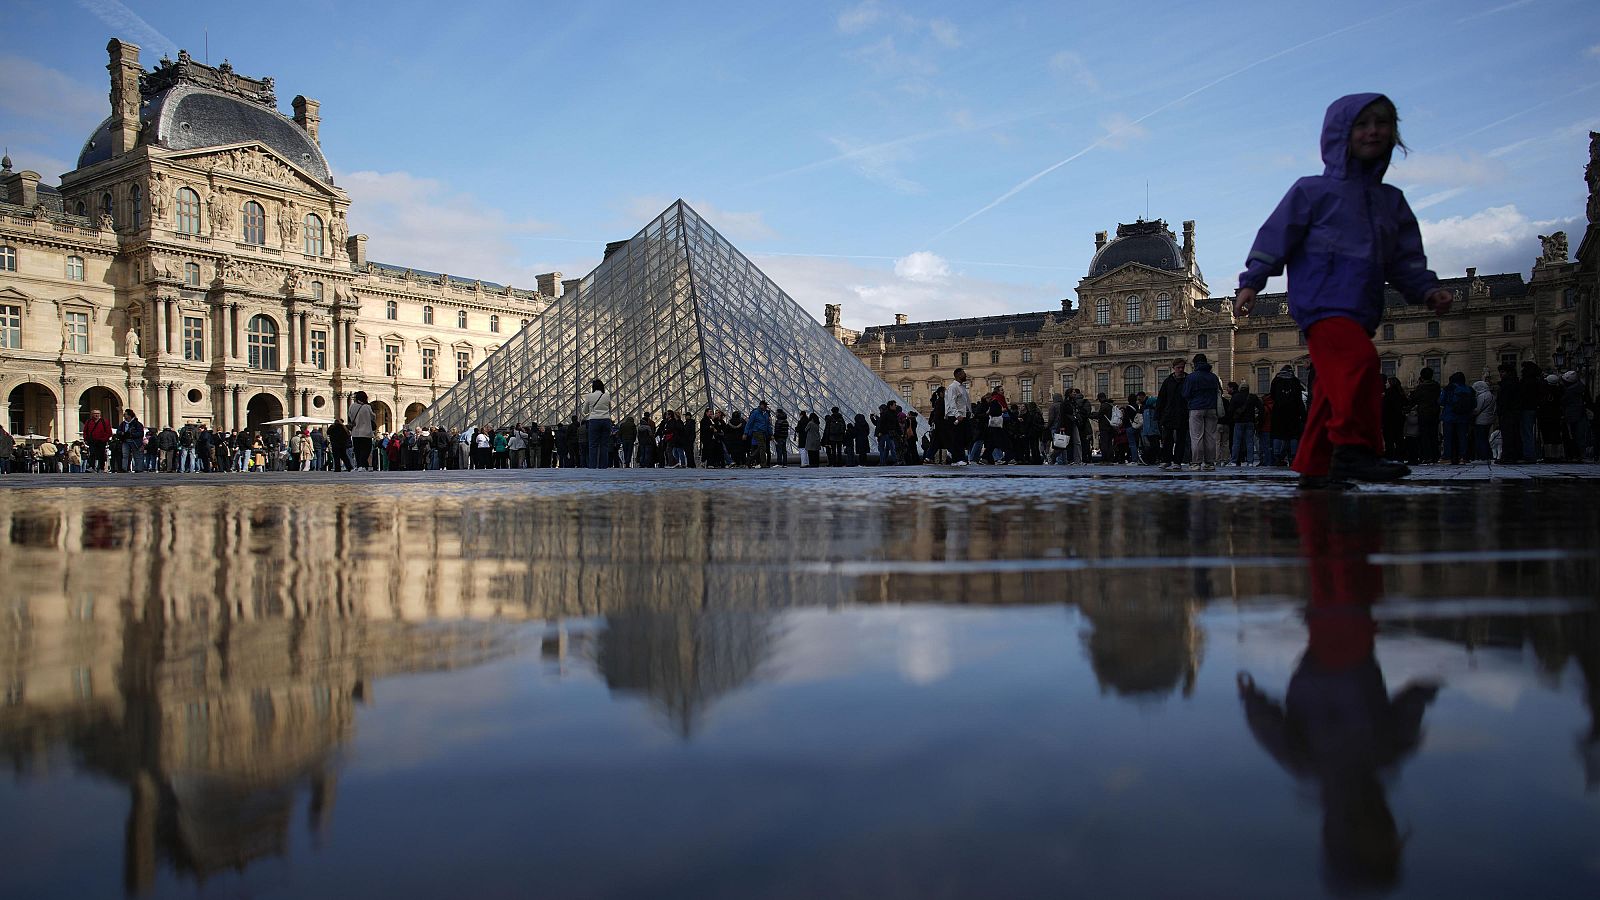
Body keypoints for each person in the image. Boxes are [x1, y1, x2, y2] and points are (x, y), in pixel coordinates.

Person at [1235, 93, 1453, 487]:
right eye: (1362, 124)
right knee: (1362, 364)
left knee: (1329, 391)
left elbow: (1405, 259)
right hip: (1320, 303)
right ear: (1340, 134)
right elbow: (1276, 236)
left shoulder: (1391, 201)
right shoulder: (1312, 191)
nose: (1373, 131)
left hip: (1361, 307)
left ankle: (1316, 466)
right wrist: (1252, 281)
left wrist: (1427, 289)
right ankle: (1355, 449)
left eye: (1382, 123)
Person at [1180, 353, 1222, 470]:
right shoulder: (1213, 377)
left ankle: (1196, 463)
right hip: (1212, 408)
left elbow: (1185, 394)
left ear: (1195, 364)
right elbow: (1220, 391)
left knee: (1196, 436)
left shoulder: (1191, 377)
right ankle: (1210, 463)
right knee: (1210, 436)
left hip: (1196, 408)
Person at [1155, 359, 1189, 470]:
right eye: (1178, 367)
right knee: (1167, 439)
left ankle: (1177, 461)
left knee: (1181, 439)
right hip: (1169, 414)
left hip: (1183, 413)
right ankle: (1166, 460)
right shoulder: (1168, 381)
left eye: (1182, 367)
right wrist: (1158, 414)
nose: (1181, 369)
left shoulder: (1188, 380)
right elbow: (1161, 398)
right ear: (1173, 368)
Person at [1440, 372, 1474, 464]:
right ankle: (1463, 457)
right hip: (1463, 416)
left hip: (1449, 416)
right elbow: (1473, 404)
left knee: (1448, 438)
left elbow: (1441, 401)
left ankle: (1448, 457)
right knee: (1462, 437)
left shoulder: (1449, 388)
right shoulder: (1469, 389)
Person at [1409, 369, 1442, 463]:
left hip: (1423, 412)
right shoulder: (1436, 386)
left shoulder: (1421, 387)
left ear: (1422, 376)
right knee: (1434, 434)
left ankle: (1427, 456)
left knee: (1424, 435)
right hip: (1434, 412)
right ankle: (1435, 455)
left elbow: (1414, 399)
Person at [945, 368, 972, 467]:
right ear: (958, 375)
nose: (965, 375)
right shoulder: (953, 387)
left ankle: (959, 458)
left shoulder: (962, 387)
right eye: (964, 373)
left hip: (962, 415)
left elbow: (965, 402)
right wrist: (957, 415)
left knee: (962, 438)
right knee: (957, 438)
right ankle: (957, 459)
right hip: (955, 416)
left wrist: (970, 412)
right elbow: (951, 402)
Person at [1229, 383, 1262, 466]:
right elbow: (1261, 408)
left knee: (1236, 442)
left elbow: (1230, 410)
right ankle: (1250, 462)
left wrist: (1234, 418)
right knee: (1250, 442)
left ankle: (1234, 461)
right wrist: (1257, 418)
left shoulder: (1236, 397)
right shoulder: (1252, 397)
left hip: (1239, 422)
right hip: (1250, 421)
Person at [583, 379, 612, 469]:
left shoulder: (589, 396)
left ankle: (593, 466)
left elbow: (585, 411)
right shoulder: (606, 395)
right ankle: (603, 466)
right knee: (604, 445)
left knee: (593, 445)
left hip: (594, 420)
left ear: (593, 387)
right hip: (606, 420)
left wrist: (592, 409)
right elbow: (609, 408)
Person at [348, 391, 376, 470]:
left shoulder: (352, 406)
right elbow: (373, 417)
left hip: (355, 432)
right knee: (366, 449)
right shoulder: (367, 407)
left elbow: (350, 416)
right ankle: (362, 465)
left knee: (357, 450)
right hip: (366, 432)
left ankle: (359, 465)